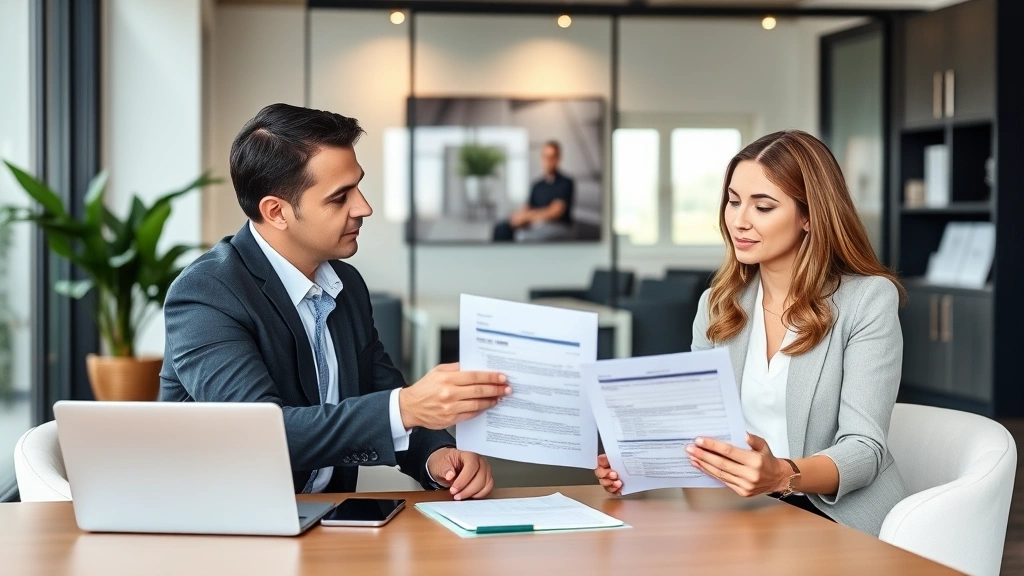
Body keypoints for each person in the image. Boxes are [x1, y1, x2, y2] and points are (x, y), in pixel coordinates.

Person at [161, 103, 511, 500]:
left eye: (358, 186)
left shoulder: (346, 284)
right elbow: (259, 433)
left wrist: (439, 456)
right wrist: (406, 408)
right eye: (340, 197)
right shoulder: (207, 294)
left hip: (327, 521)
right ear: (276, 212)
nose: (364, 207)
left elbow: (380, 393)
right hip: (225, 532)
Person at [594, 130, 908, 536]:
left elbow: (865, 451)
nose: (739, 221)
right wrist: (635, 464)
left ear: (809, 215)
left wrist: (781, 475)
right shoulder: (717, 304)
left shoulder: (866, 300)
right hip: (738, 511)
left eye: (763, 206)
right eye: (733, 201)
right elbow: (695, 428)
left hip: (834, 519)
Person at [493, 140, 575, 241]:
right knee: (501, 228)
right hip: (535, 223)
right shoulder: (537, 185)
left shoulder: (565, 182)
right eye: (545, 157)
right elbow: (528, 207)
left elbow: (555, 212)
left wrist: (528, 217)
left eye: (551, 157)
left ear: (558, 158)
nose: (548, 161)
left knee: (523, 237)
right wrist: (519, 217)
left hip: (557, 225)